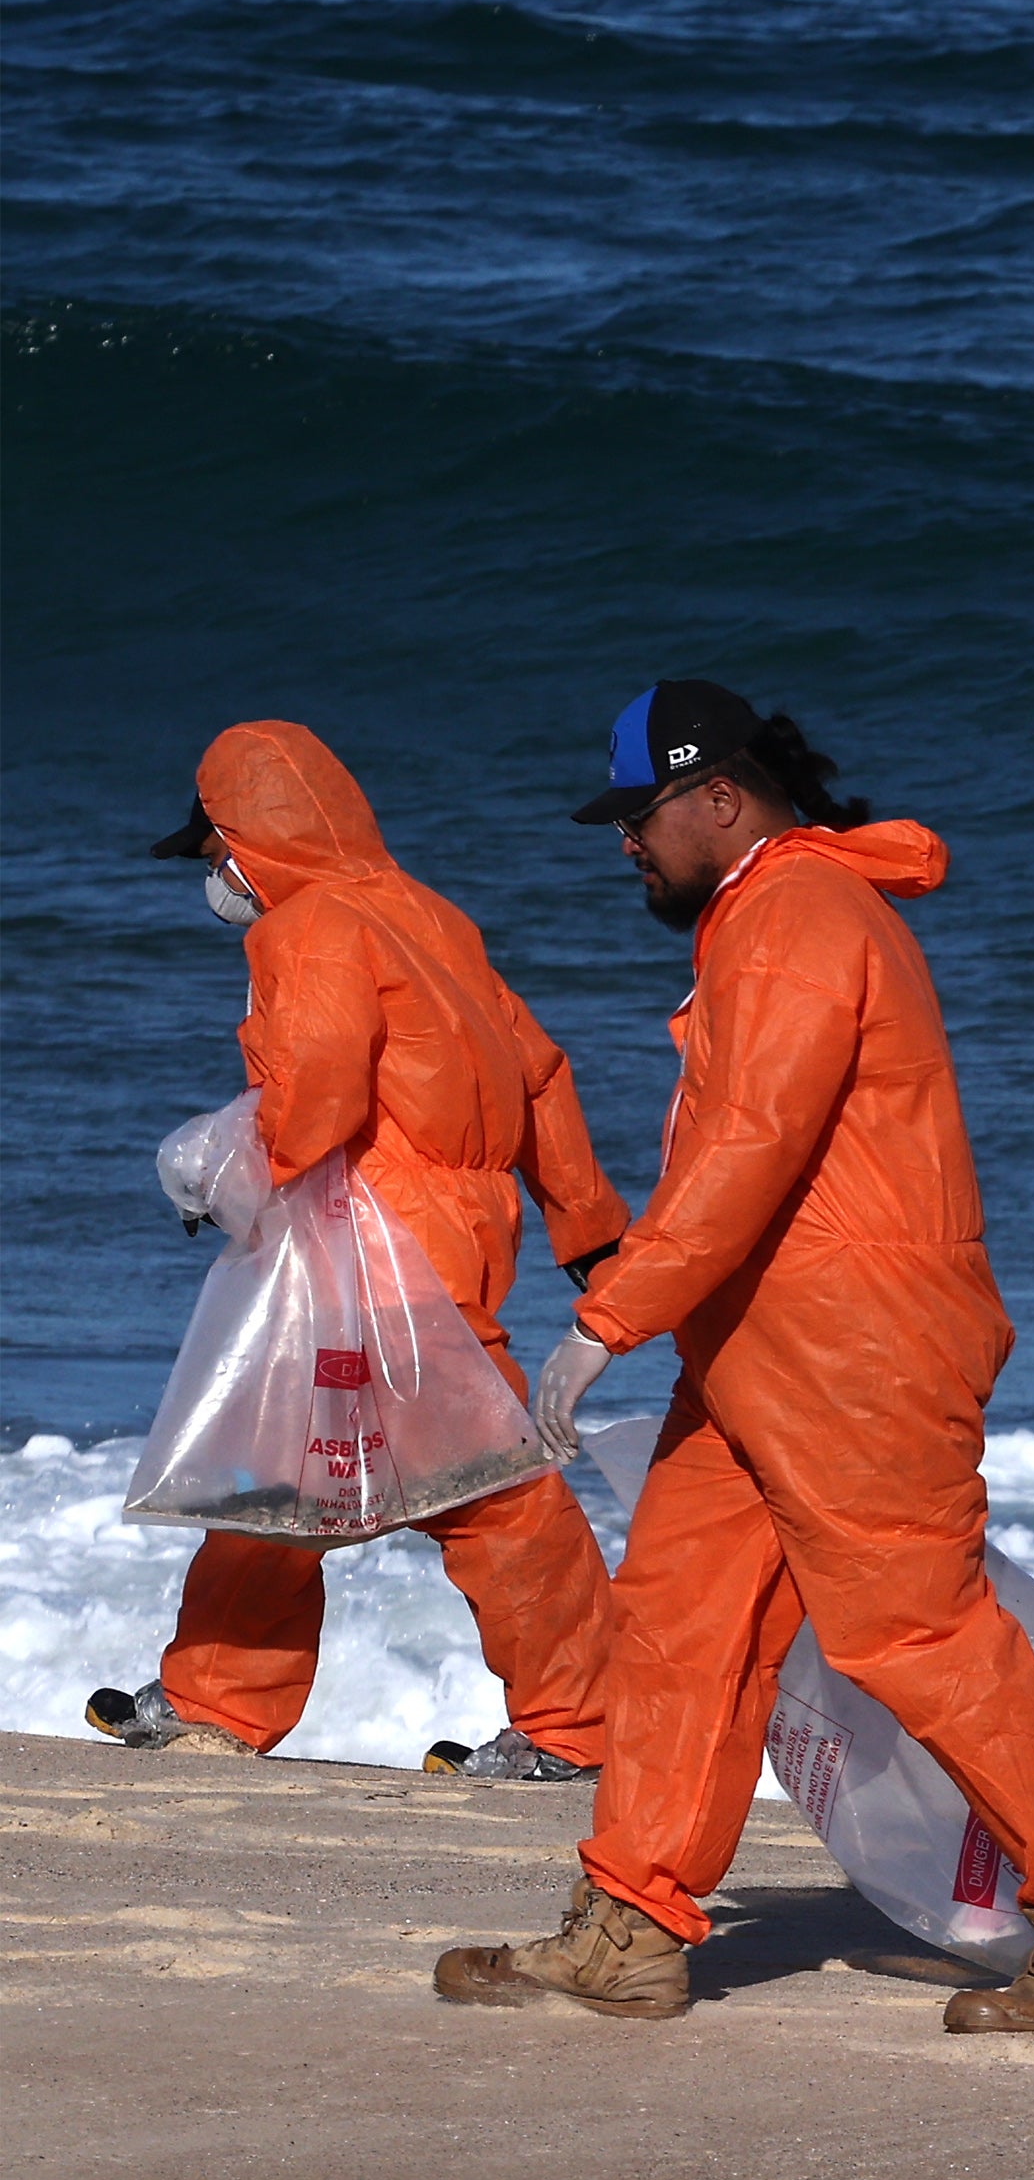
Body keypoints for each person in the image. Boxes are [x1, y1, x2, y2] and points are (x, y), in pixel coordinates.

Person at [431, 682, 1034, 2032]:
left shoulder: (797, 916)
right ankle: (631, 1923)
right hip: (760, 1349)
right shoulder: (773, 909)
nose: (624, 841)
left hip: (859, 1353)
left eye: (638, 815)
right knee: (682, 1620)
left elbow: (752, 1150)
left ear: (717, 797)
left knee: (917, 1634)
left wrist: (599, 1323)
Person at [85, 723, 631, 1777]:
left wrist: (222, 1176)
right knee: (376, 1478)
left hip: (375, 1247)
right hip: (461, 1237)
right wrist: (590, 1228)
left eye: (214, 855)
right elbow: (539, 1072)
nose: (216, 879)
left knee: (395, 1483)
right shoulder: (433, 917)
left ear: (251, 842)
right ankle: (575, 1725)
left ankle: (576, 1733)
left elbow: (320, 1095)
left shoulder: (312, 929)